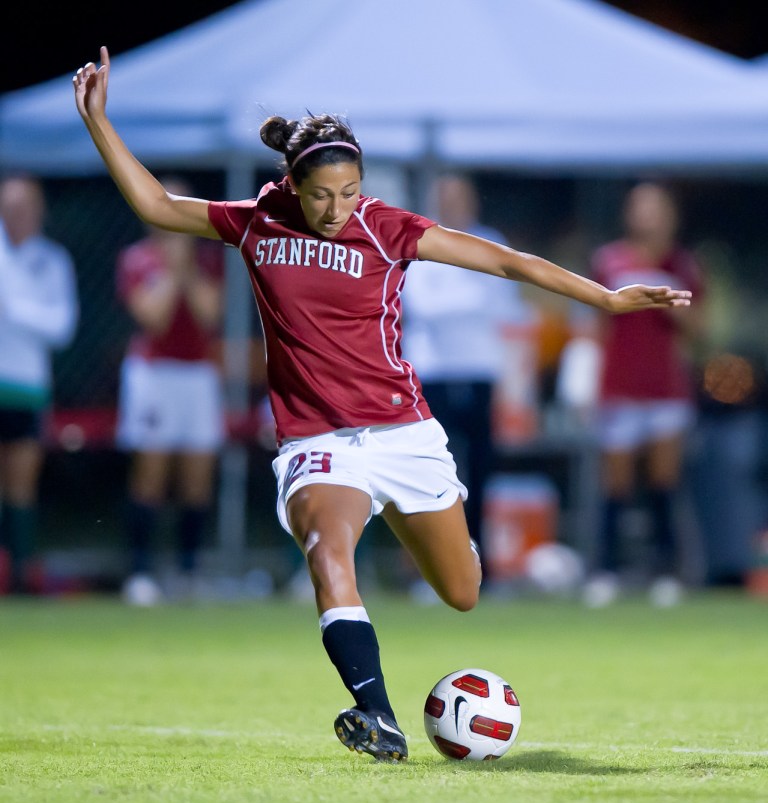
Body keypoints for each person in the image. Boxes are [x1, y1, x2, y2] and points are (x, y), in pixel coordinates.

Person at [73, 47, 691, 761]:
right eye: (322, 195)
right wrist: (98, 123)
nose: (338, 209)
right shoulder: (257, 219)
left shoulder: (386, 226)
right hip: (319, 442)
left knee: (463, 591)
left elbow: (508, 262)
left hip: (404, 433)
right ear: (290, 184)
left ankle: (394, 516)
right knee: (326, 550)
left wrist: (607, 297)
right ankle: (379, 716)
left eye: (350, 191)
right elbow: (153, 204)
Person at [401, 174, 533, 581]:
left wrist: (458, 303)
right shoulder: (419, 239)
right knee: (431, 474)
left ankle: (479, 567)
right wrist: (471, 300)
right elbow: (418, 303)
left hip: (478, 372)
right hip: (432, 375)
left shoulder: (487, 239)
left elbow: (505, 303)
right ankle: (431, 567)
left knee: (478, 474)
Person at [582, 182, 705, 609]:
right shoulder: (609, 261)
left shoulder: (682, 265)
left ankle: (666, 571)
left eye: (656, 208)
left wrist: (669, 299)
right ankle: (605, 571)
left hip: (665, 389)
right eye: (640, 208)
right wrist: (586, 383)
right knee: (615, 484)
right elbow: (594, 323)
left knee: (663, 483)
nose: (648, 216)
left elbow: (698, 330)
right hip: (619, 387)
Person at [115, 176, 226, 605]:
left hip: (198, 374)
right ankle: (140, 572)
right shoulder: (137, 260)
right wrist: (172, 269)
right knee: (151, 471)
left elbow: (209, 314)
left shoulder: (207, 260)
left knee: (198, 476)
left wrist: (187, 268)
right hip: (153, 374)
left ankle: (188, 570)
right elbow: (154, 318)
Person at [0, 174, 79, 594]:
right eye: (9, 208)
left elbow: (61, 327)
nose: (17, 216)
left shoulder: (52, 260)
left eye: (24, 208)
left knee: (20, 485)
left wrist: (15, 309)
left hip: (27, 387)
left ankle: (18, 576)